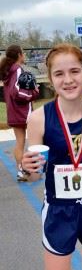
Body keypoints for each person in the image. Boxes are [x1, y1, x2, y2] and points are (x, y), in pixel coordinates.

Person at [21, 43, 82, 270]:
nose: (68, 80)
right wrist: (27, 168)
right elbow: (33, 176)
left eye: (74, 71)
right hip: (58, 210)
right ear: (51, 80)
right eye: (59, 74)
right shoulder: (39, 119)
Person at [0, 44, 39, 182]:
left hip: (13, 111)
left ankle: (22, 171)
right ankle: (33, 169)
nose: (24, 55)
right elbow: (18, 93)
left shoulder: (7, 71)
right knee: (36, 140)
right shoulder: (17, 69)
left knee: (20, 142)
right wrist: (34, 93)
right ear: (18, 55)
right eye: (23, 52)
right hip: (23, 112)